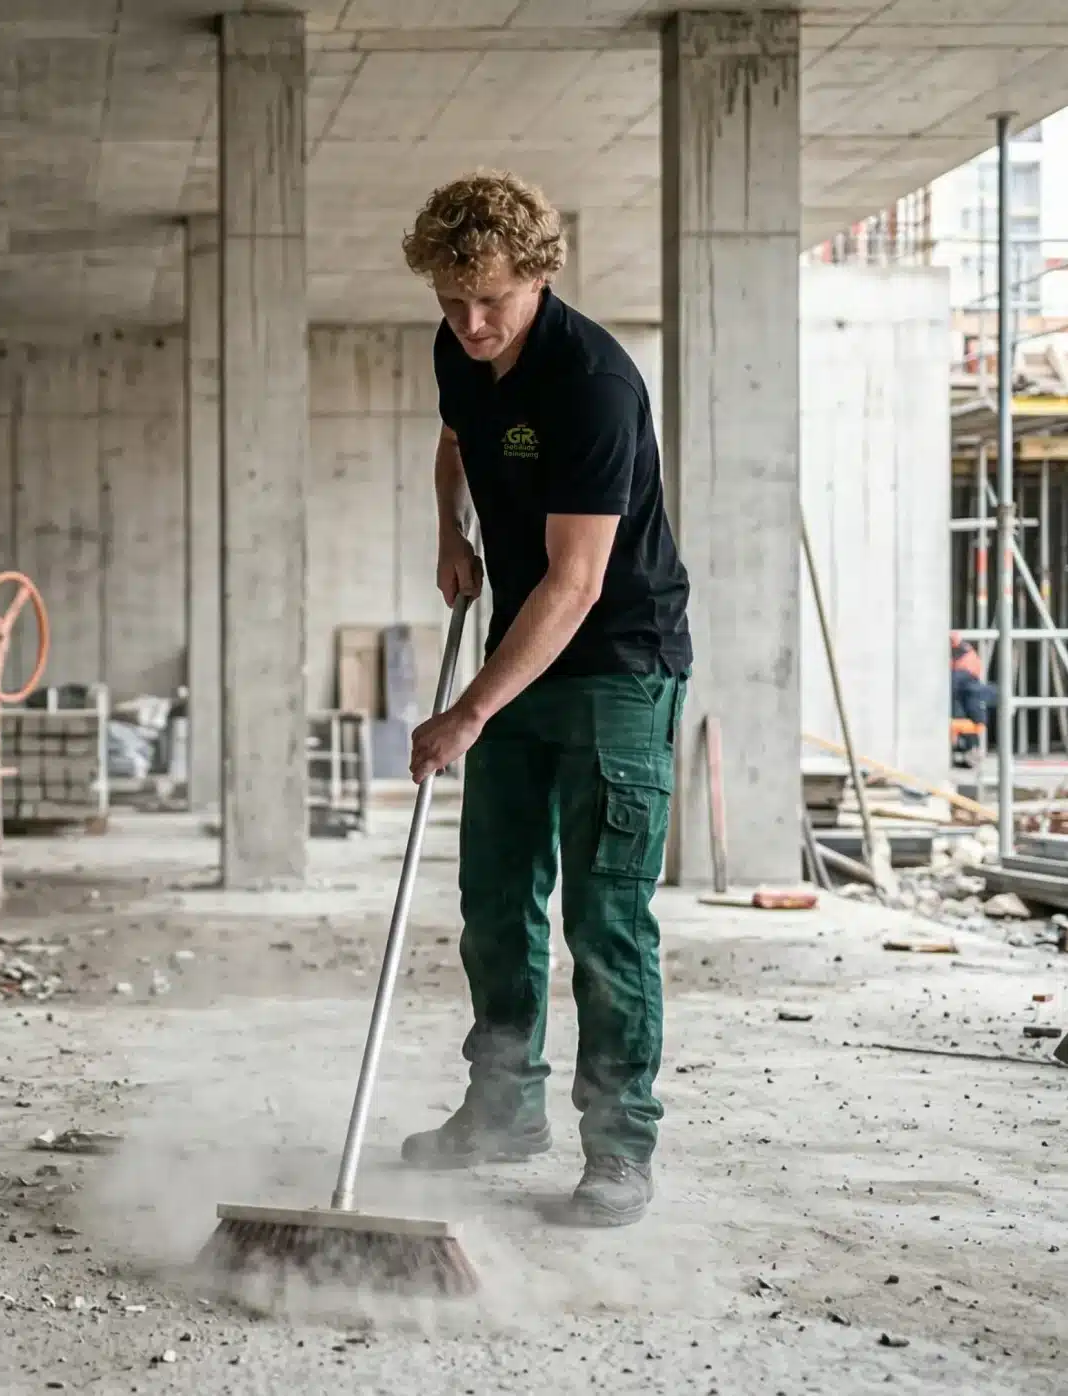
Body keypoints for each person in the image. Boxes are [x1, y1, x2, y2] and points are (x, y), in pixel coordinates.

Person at [393, 171, 693, 1228]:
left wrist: (467, 711)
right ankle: (501, 1108)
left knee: (604, 917)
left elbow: (575, 583)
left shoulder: (592, 384)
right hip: (521, 645)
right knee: (493, 899)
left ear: (537, 278)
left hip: (614, 659)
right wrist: (450, 534)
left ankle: (618, 1148)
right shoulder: (455, 349)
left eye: (492, 304)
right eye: (450, 302)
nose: (470, 325)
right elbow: (456, 440)